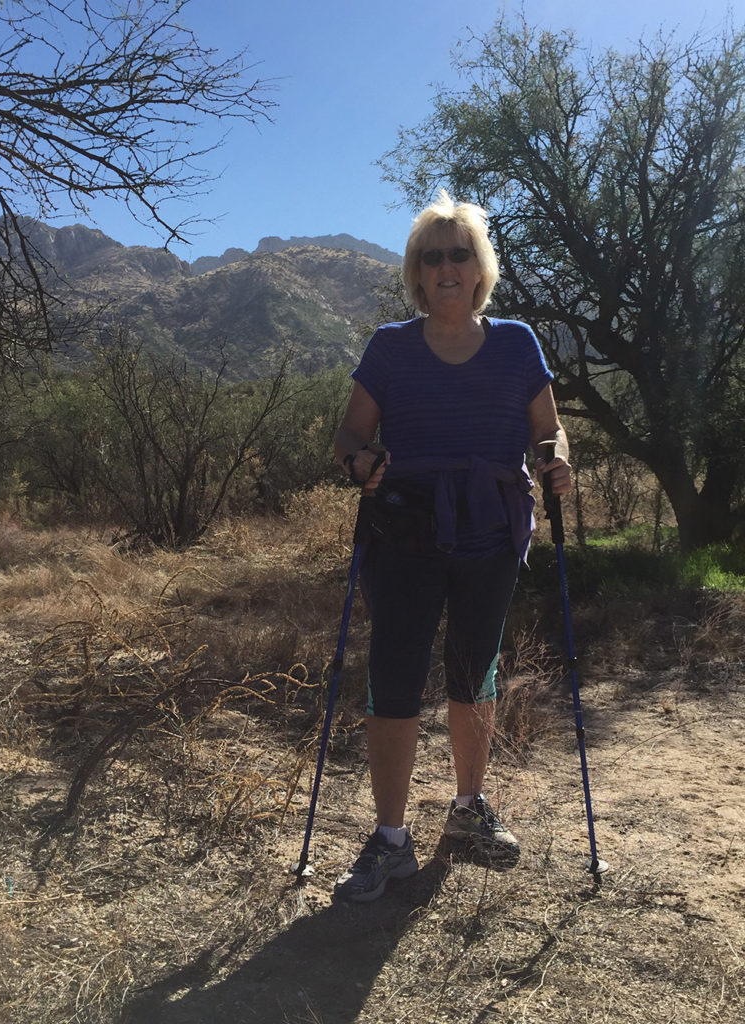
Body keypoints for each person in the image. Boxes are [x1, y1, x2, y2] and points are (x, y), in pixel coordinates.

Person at [332, 190, 572, 903]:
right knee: (395, 675)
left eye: (457, 253)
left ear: (479, 268)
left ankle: (468, 813)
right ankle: (391, 840)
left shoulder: (517, 343)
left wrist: (557, 459)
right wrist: (360, 463)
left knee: (476, 670)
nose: (444, 266)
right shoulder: (389, 346)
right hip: (405, 527)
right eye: (430, 256)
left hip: (491, 532)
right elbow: (349, 437)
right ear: (415, 272)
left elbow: (550, 431)